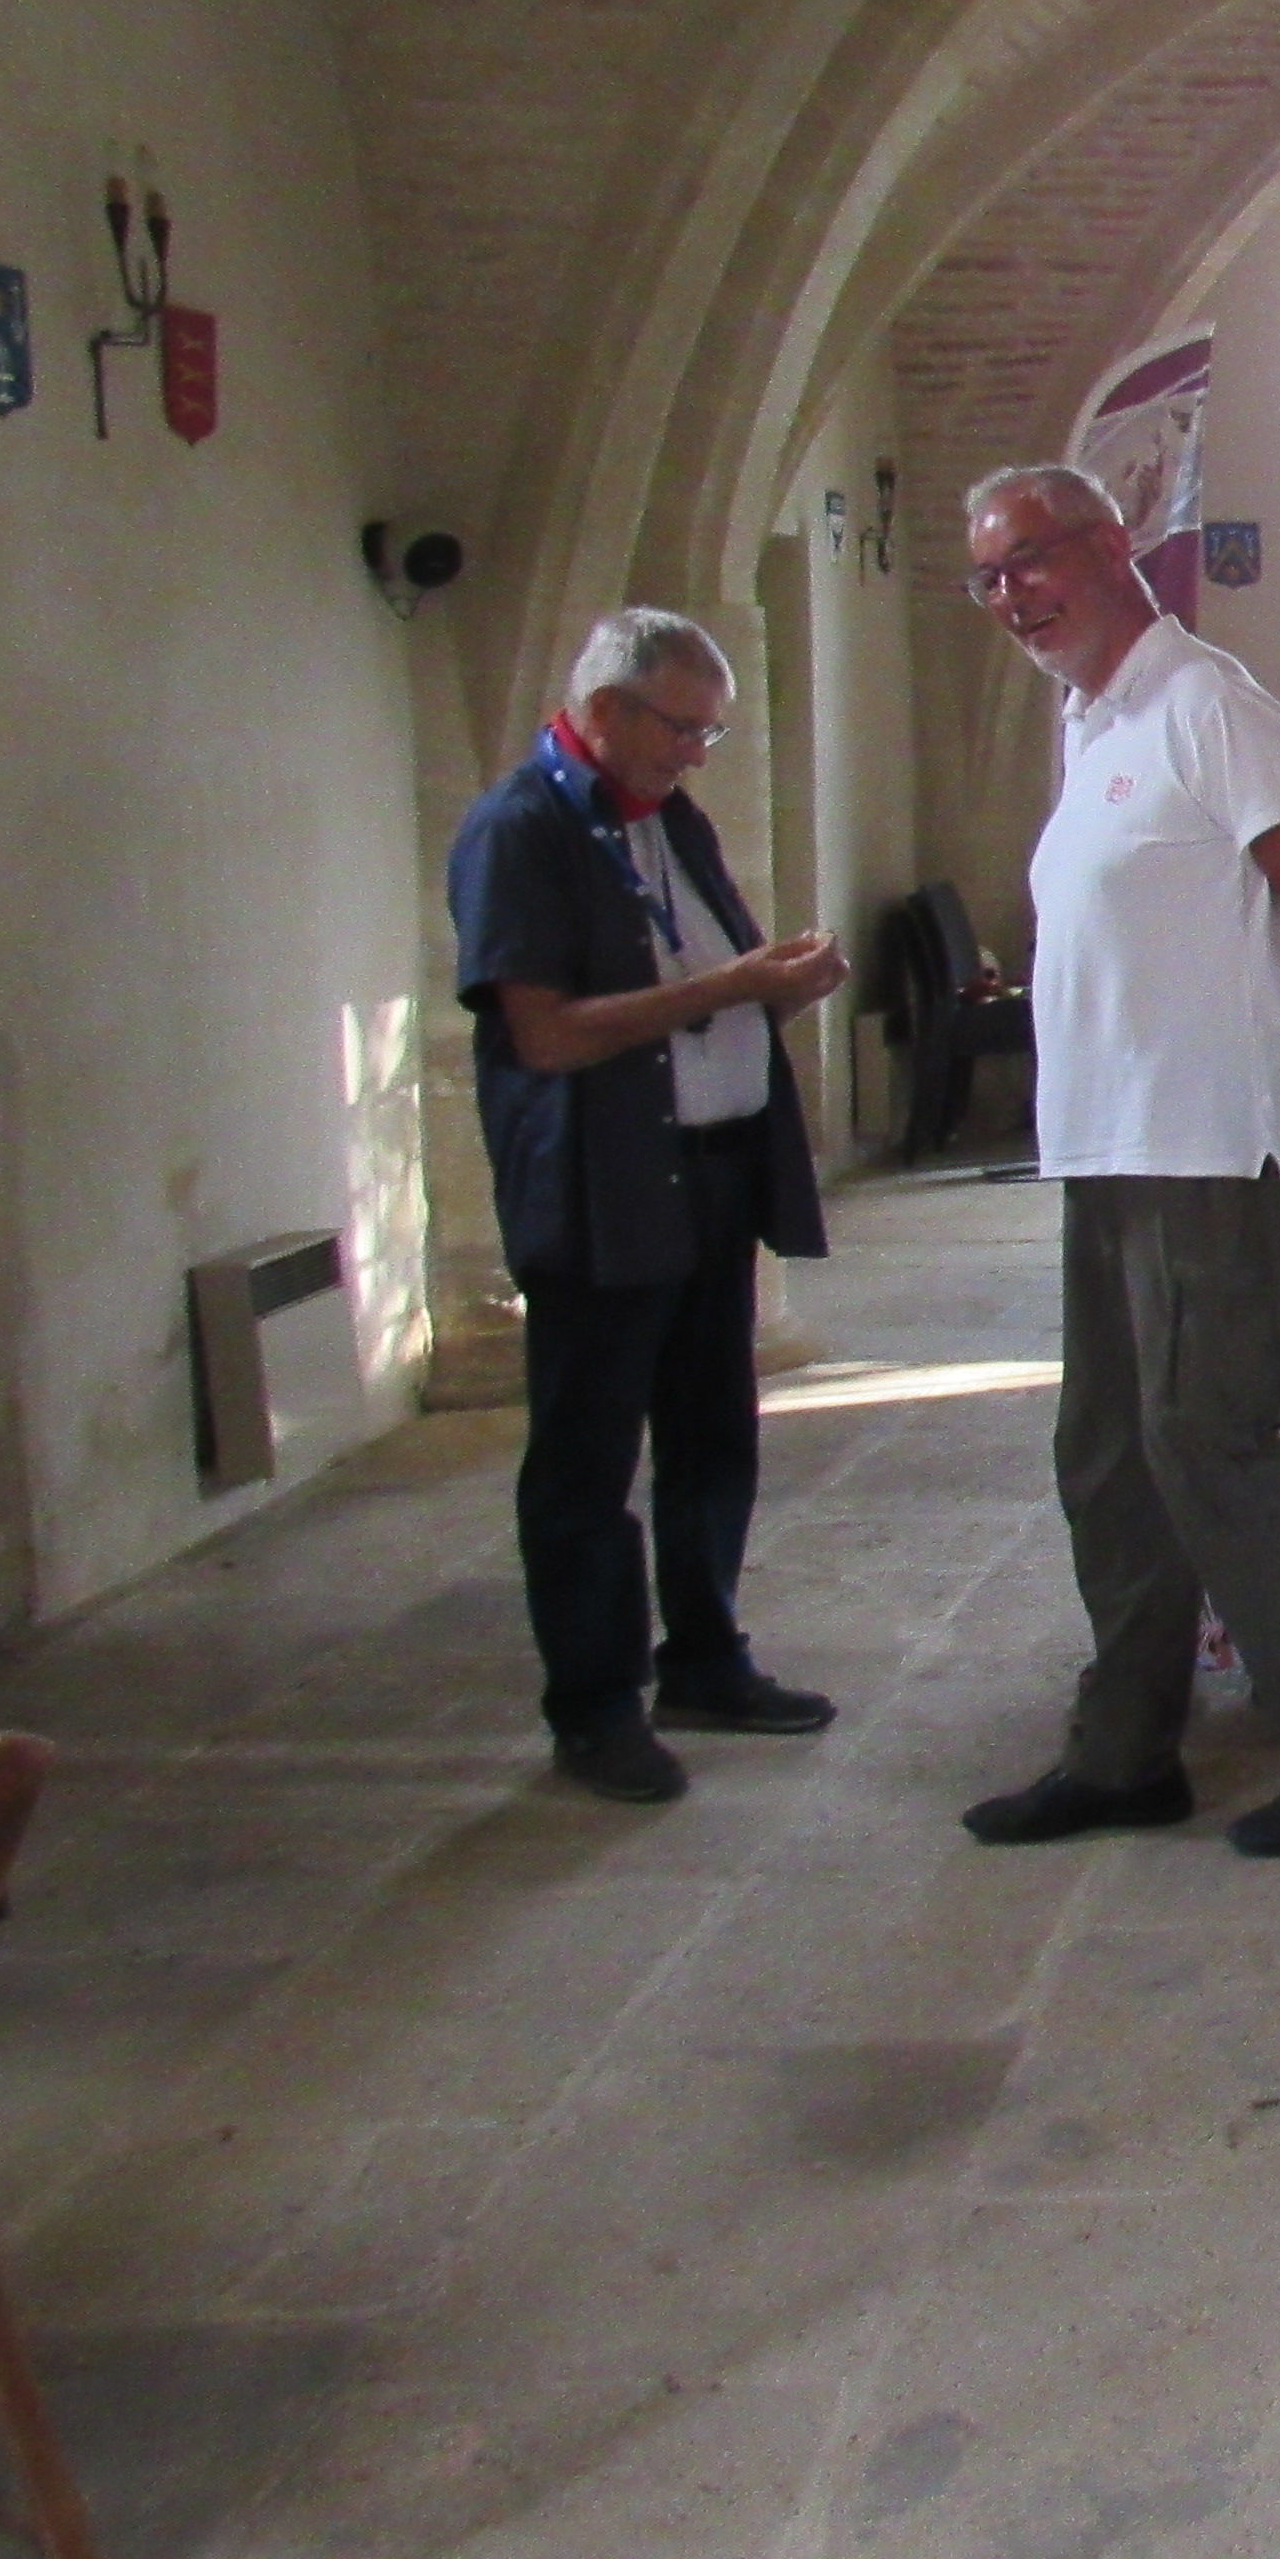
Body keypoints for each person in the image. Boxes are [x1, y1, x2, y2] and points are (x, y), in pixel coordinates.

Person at [953, 462, 1280, 1855]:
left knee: (1207, 1440)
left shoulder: (1211, 706)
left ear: (1113, 547)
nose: (1011, 597)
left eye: (1031, 561)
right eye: (987, 577)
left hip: (1218, 1147)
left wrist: (1236, 1031)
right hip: (1111, 1146)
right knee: (1106, 1450)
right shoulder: (1090, 720)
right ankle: (1124, 1749)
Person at [449, 610, 855, 1803]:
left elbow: (693, 993)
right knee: (586, 1453)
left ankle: (707, 1658)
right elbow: (547, 1034)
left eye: (710, 733)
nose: (694, 754)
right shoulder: (519, 829)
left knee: (711, 1429)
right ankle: (593, 1703)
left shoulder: (668, 818)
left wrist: (770, 989)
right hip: (601, 1182)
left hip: (709, 1171)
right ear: (608, 706)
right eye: (681, 727)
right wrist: (732, 985)